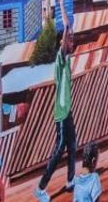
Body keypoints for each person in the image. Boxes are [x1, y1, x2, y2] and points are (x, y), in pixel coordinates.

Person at [34, 27, 76, 202]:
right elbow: (66, 28)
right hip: (61, 113)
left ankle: (70, 180)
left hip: (68, 112)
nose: (72, 43)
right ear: (62, 43)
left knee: (72, 145)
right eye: (69, 40)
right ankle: (40, 188)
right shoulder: (59, 60)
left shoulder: (67, 61)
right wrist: (60, 2)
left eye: (73, 40)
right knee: (59, 150)